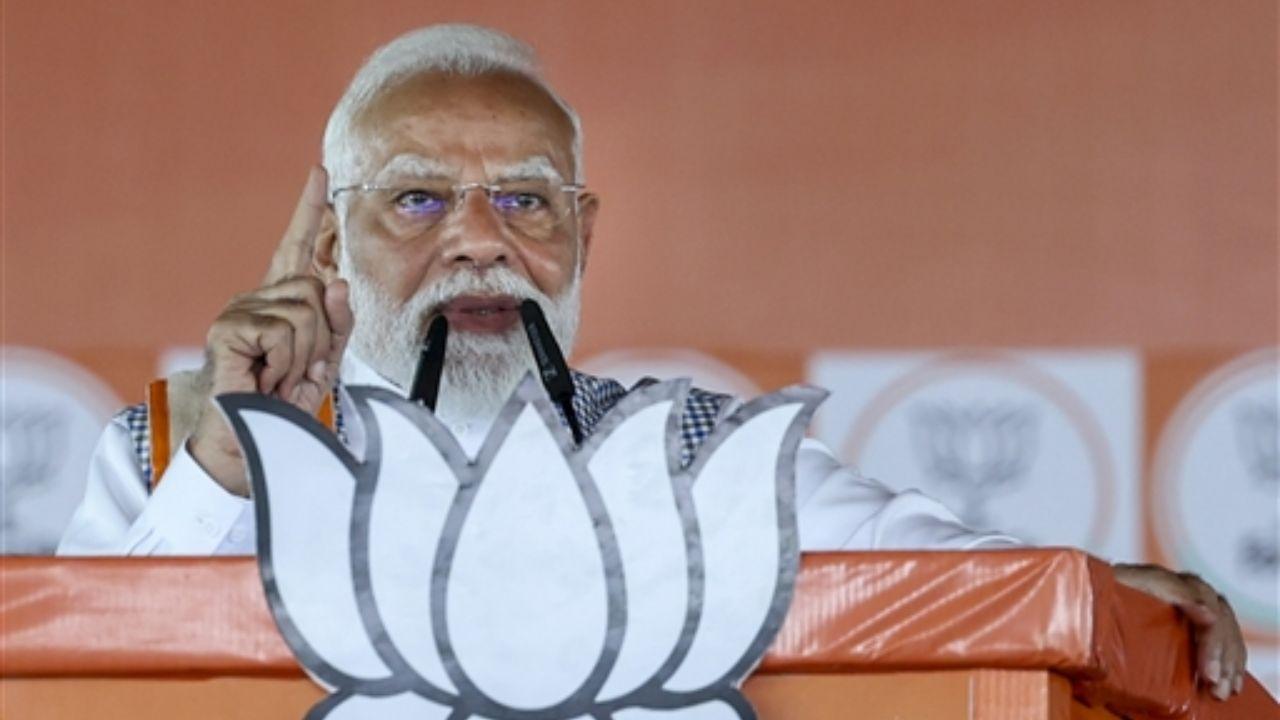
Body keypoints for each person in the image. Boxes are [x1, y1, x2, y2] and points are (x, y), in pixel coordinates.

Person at [57, 23, 1246, 699]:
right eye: (418, 201)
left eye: (526, 201)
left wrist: (1091, 595)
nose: (481, 241)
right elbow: (75, 692)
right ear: (329, 241)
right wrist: (235, 461)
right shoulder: (175, 452)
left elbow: (931, 569)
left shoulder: (682, 449)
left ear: (583, 236)